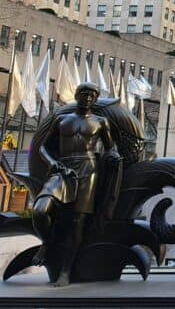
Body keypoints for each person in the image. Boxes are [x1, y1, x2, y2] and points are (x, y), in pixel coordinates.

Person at [32, 82, 120, 286]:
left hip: (88, 171)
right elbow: (43, 147)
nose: (87, 98)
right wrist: (54, 164)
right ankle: (47, 242)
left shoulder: (101, 122)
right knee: (39, 211)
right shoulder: (62, 120)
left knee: (76, 222)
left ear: (95, 100)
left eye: (92, 95)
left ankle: (65, 271)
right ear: (77, 95)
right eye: (84, 94)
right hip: (62, 169)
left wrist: (113, 156)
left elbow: (110, 148)